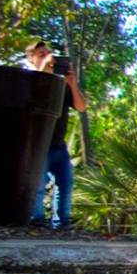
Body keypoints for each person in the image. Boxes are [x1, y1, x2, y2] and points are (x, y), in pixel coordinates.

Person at [24, 42, 85, 230]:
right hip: (37, 145)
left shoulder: (61, 85)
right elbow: (33, 98)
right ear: (31, 58)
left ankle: (62, 223)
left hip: (58, 145)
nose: (47, 57)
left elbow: (81, 107)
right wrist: (43, 69)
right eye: (41, 54)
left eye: (48, 53)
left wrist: (72, 84)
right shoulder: (29, 79)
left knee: (65, 185)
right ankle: (37, 222)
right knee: (38, 185)